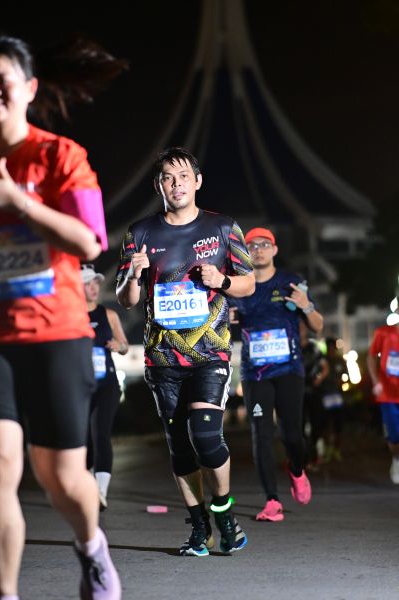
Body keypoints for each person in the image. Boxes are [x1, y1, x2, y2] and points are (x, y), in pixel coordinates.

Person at [0, 34, 126, 599]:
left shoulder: (58, 156)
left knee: (61, 479)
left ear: (28, 89)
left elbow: (90, 241)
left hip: (55, 334)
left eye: (0, 82)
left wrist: (20, 204)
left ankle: (91, 547)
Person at [116, 146, 255, 557]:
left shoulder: (223, 227)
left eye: (182, 177)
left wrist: (222, 281)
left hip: (210, 352)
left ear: (197, 181)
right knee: (179, 445)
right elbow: (126, 299)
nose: (175, 184)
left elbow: (248, 283)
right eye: (167, 178)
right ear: (158, 185)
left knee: (206, 436)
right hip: (162, 357)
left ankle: (224, 513)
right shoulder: (140, 233)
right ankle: (199, 528)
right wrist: (134, 274)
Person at [229, 227, 323, 522]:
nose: (258, 250)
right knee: (261, 435)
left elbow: (318, 326)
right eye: (252, 245)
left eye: (264, 244)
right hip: (255, 374)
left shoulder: (290, 282)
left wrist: (306, 305)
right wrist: (227, 319)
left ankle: (297, 470)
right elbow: (222, 323)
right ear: (245, 251)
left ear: (274, 250)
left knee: (291, 434)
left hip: (288, 370)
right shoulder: (237, 285)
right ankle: (271, 500)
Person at [81, 263, 129, 511]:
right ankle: (85, 486)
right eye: (87, 284)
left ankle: (100, 492)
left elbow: (125, 346)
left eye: (96, 283)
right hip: (80, 387)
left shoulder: (108, 314)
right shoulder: (71, 317)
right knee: (84, 439)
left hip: (106, 385)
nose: (94, 288)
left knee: (100, 433)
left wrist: (118, 346)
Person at [367, 315, 399, 483]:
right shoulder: (383, 333)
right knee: (394, 437)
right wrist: (376, 381)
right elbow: (372, 356)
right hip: (388, 394)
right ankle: (397, 459)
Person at [300, 322, 329, 468]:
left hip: (313, 390)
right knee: (299, 426)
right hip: (297, 392)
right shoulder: (291, 346)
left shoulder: (314, 347)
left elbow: (325, 367)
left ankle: (315, 454)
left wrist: (319, 379)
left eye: (303, 326)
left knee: (316, 423)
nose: (300, 329)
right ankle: (303, 458)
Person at [318, 337, 348, 463]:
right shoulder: (322, 361)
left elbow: (346, 376)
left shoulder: (340, 361)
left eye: (332, 347)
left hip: (337, 396)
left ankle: (336, 449)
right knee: (325, 424)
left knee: (338, 424)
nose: (331, 349)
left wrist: (342, 383)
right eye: (329, 347)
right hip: (325, 396)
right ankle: (328, 448)